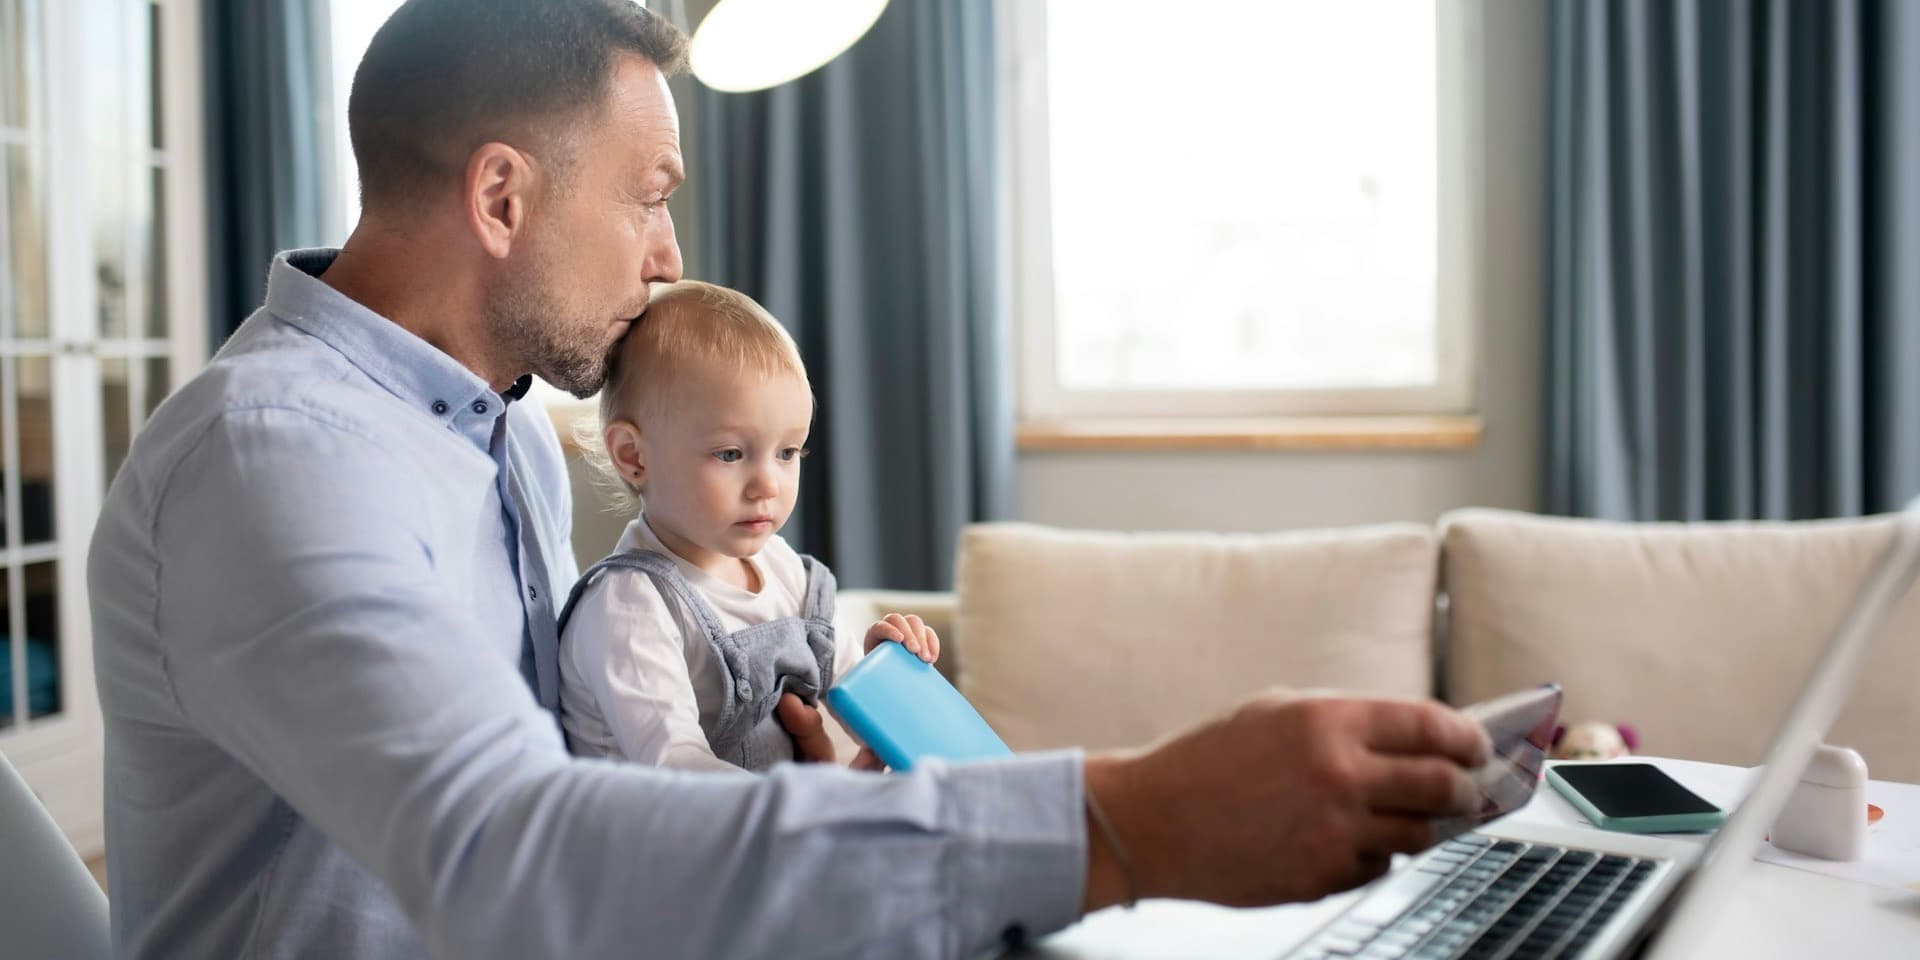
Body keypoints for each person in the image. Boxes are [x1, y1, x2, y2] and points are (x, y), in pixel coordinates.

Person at [86, 1, 1490, 957]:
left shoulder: (501, 426)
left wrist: (808, 782)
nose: (668, 255)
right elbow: (506, 853)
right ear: (501, 198)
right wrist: (1128, 816)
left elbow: (589, 772)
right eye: (648, 192)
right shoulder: (276, 459)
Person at [557, 279, 938, 771]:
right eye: (731, 453)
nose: (767, 485)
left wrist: (884, 674)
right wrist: (820, 807)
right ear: (634, 456)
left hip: (768, 830)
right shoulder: (630, 607)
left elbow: (861, 699)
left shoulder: (780, 568)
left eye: (787, 453)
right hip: (661, 842)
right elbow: (677, 769)